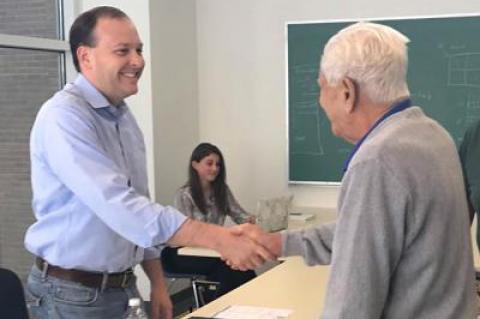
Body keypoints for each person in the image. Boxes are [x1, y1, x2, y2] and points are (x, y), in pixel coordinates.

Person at [23, 6, 274, 319]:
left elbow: (138, 205)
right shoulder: (64, 117)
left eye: (139, 49)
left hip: (122, 287)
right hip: (70, 294)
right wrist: (218, 238)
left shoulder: (124, 119)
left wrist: (156, 283)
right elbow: (118, 205)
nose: (138, 61)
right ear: (86, 57)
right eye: (123, 51)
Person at [236, 22, 477, 318]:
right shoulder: (434, 135)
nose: (321, 101)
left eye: (322, 88)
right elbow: (367, 231)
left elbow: (351, 307)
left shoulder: (377, 161)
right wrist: (281, 242)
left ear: (347, 92)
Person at [161, 143, 256, 297]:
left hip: (212, 250)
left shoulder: (221, 190)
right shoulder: (184, 195)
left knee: (241, 264)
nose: (215, 168)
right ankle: (216, 307)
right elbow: (185, 234)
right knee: (225, 266)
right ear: (195, 165)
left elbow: (240, 216)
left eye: (218, 164)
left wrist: (254, 220)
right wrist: (219, 240)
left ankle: (249, 304)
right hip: (181, 253)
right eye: (209, 163)